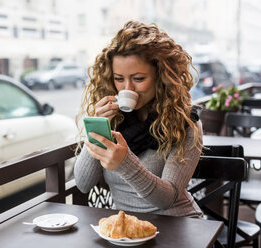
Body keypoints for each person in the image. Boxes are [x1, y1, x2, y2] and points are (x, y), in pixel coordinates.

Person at [74, 20, 203, 218]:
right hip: (129, 232)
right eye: (119, 79)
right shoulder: (114, 119)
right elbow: (83, 184)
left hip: (177, 226)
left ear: (161, 76)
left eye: (139, 79)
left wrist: (124, 162)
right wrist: (97, 128)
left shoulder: (184, 122)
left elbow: (167, 199)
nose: (127, 88)